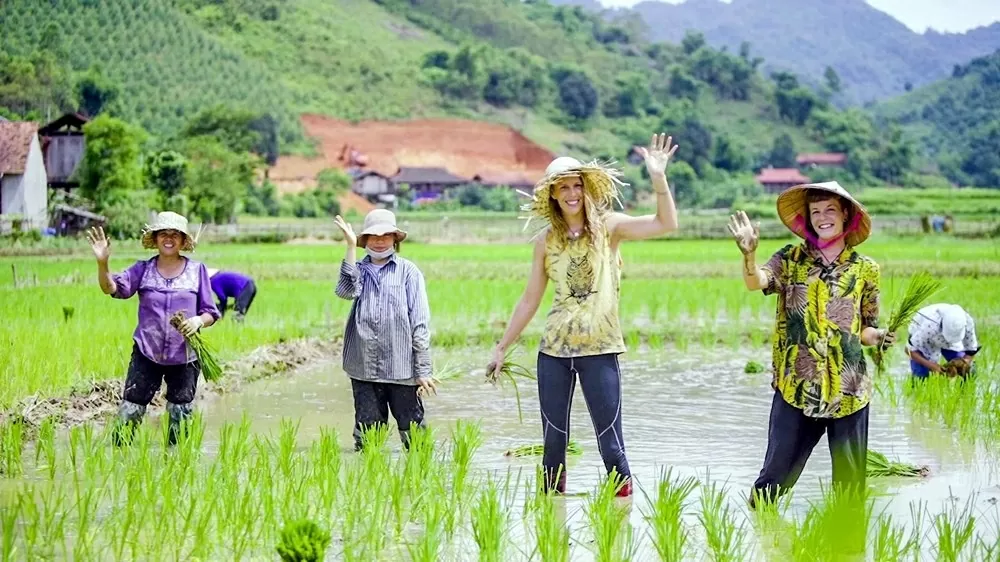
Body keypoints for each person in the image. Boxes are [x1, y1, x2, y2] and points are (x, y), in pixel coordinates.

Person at [489, 133, 680, 498]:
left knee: (611, 444)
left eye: (577, 185)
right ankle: (551, 519)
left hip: (600, 349)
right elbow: (530, 299)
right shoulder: (545, 241)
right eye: (564, 188)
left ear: (586, 189)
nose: (572, 193)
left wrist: (658, 178)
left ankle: (620, 519)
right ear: (553, 195)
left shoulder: (611, 228)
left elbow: (665, 224)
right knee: (552, 445)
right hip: (554, 353)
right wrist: (501, 347)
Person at [728, 181, 896, 507]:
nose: (822, 217)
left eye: (830, 210)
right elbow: (756, 281)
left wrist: (879, 337)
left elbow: (865, 328)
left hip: (849, 388)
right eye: (816, 211)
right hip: (796, 384)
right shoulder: (790, 259)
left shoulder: (866, 269)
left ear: (846, 215)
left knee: (849, 490)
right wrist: (749, 255)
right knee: (772, 481)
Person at [86, 211, 220, 446]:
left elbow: (211, 312)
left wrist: (198, 321)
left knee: (181, 416)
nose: (169, 238)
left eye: (175, 234)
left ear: (182, 240)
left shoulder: (196, 271)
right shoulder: (142, 269)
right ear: (156, 238)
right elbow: (111, 288)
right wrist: (102, 262)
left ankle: (177, 465)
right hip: (147, 352)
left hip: (185, 356)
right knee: (130, 409)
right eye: (163, 234)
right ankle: (120, 459)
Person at [333, 209, 437, 451]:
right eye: (373, 236)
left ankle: (418, 480)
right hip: (364, 368)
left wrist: (423, 369)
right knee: (368, 439)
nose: (380, 241)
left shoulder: (408, 272)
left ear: (395, 239)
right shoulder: (359, 270)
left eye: (386, 236)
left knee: (414, 436)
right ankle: (370, 484)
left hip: (402, 368)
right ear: (365, 240)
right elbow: (345, 291)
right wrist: (350, 246)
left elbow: (420, 322)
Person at [907, 303, 980, 379]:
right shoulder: (928, 328)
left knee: (970, 371)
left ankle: (963, 390)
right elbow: (910, 351)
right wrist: (932, 366)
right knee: (920, 375)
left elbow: (971, 350)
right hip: (925, 337)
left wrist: (964, 362)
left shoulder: (966, 322)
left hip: (950, 343)